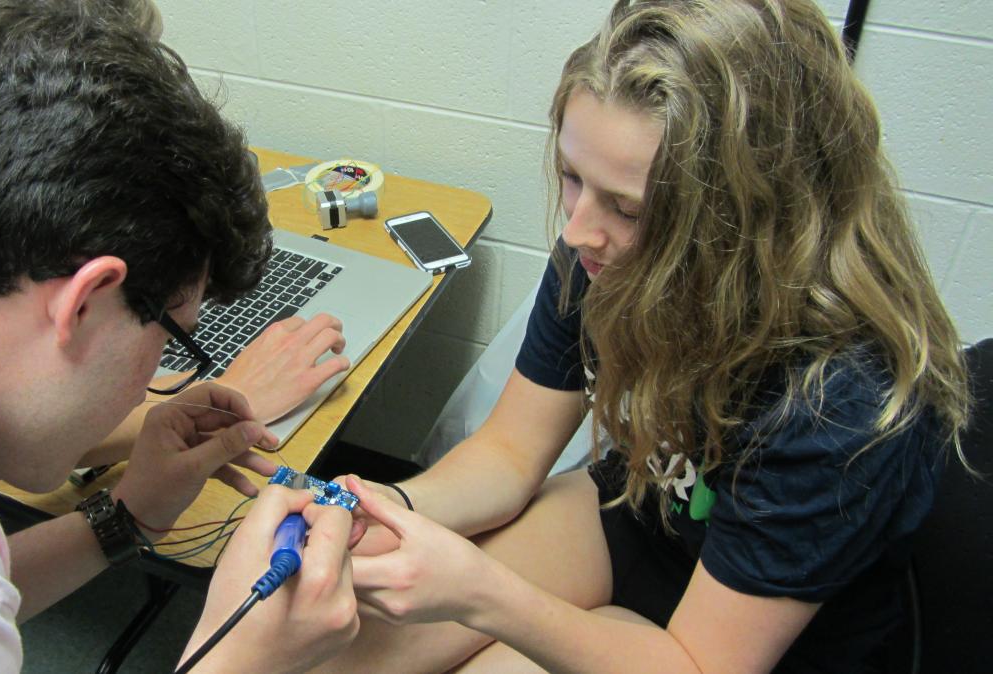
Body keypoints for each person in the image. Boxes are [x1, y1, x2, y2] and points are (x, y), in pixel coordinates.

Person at [318, 1, 972, 672]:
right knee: (346, 649)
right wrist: (388, 504)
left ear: (749, 215)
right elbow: (512, 451)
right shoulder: (600, 252)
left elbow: (697, 663)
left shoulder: (842, 402)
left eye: (628, 208)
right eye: (573, 177)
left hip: (753, 640)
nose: (576, 232)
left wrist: (482, 595)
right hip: (649, 513)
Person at [0, 2, 357, 671]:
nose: (160, 372)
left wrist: (130, 516)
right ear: (85, 302)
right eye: (174, 337)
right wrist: (244, 661)